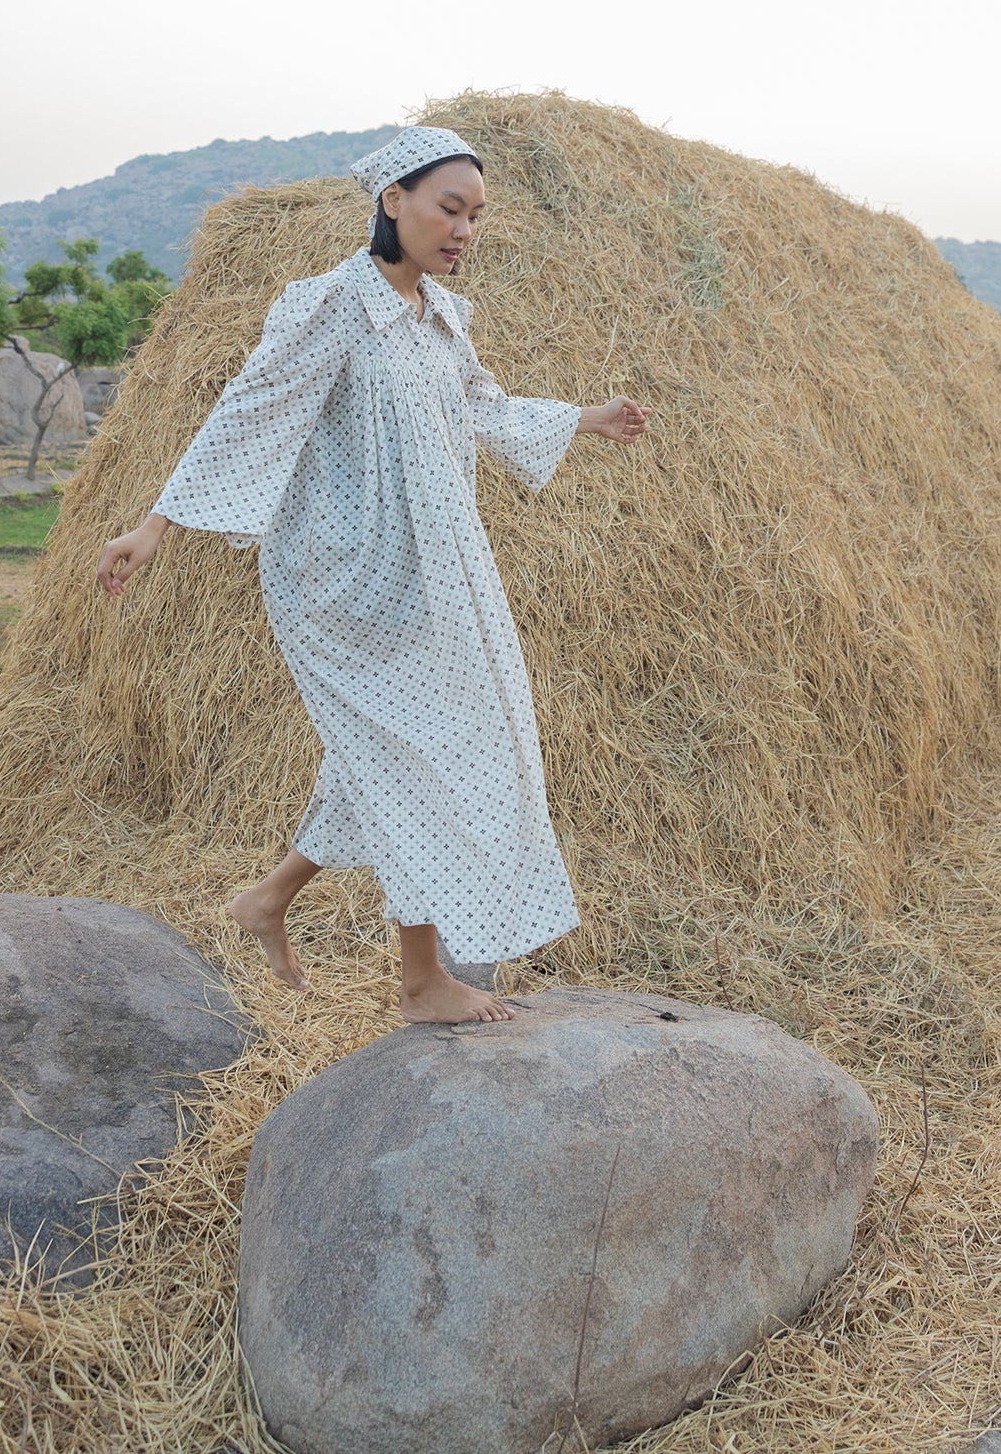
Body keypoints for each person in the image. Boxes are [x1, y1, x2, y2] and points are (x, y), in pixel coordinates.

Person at [96, 126, 648, 1026]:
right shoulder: (332, 305)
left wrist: (586, 418)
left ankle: (268, 899)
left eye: (476, 215)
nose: (464, 228)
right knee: (423, 751)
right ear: (393, 200)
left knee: (400, 749)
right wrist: (156, 523)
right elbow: (252, 406)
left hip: (437, 568)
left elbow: (483, 408)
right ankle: (423, 980)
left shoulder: (441, 318)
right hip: (347, 577)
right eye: (448, 207)